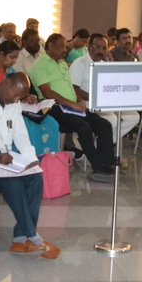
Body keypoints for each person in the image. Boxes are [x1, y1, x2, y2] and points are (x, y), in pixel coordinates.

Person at [0, 72, 59, 258]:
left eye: (19, 97)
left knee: (35, 180)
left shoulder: (13, 103)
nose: (17, 100)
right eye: (15, 95)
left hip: (5, 158)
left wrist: (30, 158)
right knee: (13, 184)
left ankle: (20, 238)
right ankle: (33, 236)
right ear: (6, 84)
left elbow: (20, 135)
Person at [29, 33, 116, 180]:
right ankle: (98, 166)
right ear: (50, 46)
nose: (65, 50)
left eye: (65, 46)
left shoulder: (62, 64)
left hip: (71, 106)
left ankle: (107, 163)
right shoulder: (39, 65)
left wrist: (80, 101)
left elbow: (71, 88)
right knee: (83, 127)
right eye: (61, 47)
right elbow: (48, 93)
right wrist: (73, 105)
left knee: (104, 125)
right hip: (53, 107)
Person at [0, 39, 60, 156]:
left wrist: (26, 97)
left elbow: (17, 92)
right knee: (30, 129)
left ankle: (49, 159)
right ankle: (30, 158)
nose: (14, 61)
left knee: (52, 123)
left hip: (18, 108)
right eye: (12, 57)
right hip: (1, 112)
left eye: (16, 58)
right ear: (1, 54)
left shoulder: (11, 71)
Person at [70, 33, 140, 142]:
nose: (101, 51)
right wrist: (93, 97)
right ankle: (102, 144)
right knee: (112, 119)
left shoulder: (104, 64)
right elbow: (73, 88)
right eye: (97, 47)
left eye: (104, 48)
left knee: (133, 116)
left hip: (106, 102)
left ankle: (106, 143)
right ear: (89, 47)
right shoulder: (79, 63)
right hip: (87, 103)